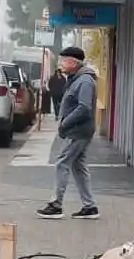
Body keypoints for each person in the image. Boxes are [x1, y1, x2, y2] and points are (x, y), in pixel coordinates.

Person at [37, 47, 98, 220]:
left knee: (62, 163)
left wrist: (65, 123)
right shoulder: (75, 79)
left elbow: (84, 108)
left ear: (73, 62)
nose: (61, 63)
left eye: (64, 60)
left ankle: (56, 205)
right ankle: (90, 206)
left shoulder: (84, 81)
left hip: (78, 131)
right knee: (78, 166)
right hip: (78, 130)